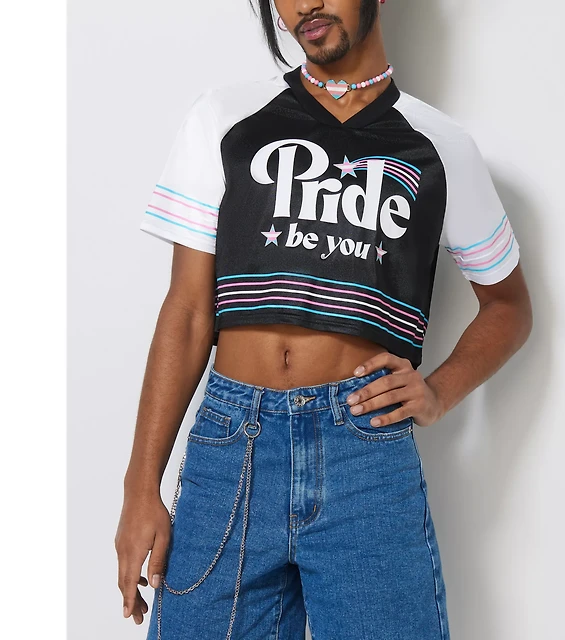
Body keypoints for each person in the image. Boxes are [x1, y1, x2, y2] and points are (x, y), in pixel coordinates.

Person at [114, 1, 533, 638]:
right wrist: (140, 486)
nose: (303, 4)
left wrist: (439, 392)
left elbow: (508, 305)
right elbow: (190, 310)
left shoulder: (440, 147)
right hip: (232, 447)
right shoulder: (226, 118)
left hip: (365, 452)